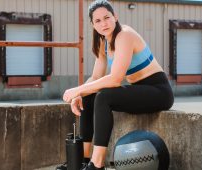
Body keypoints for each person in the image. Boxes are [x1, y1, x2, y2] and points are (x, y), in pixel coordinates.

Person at [61, 0, 174, 169]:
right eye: (98, 21)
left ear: (115, 17)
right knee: (89, 97)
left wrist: (77, 89)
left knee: (103, 97)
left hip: (158, 91)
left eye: (107, 17)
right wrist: (80, 94)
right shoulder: (102, 41)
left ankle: (96, 164)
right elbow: (95, 77)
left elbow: (115, 79)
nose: (103, 23)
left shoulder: (125, 35)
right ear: (92, 24)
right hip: (138, 90)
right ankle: (81, 160)